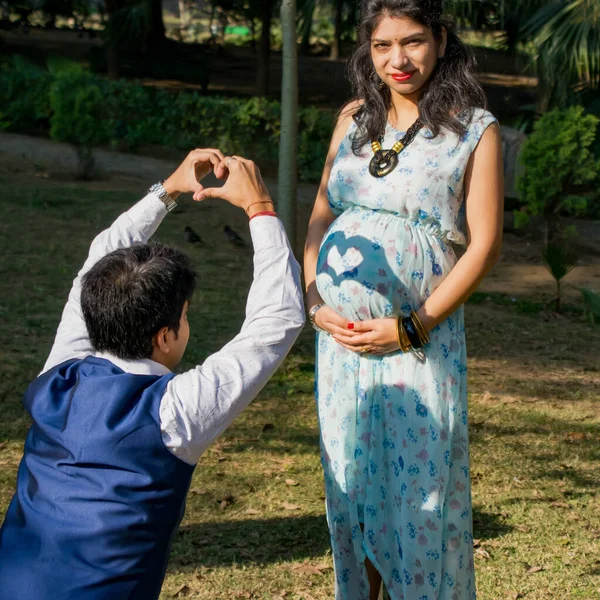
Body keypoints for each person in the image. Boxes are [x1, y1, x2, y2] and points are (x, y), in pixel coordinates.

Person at [0, 149, 305, 599]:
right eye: (184, 315)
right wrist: (259, 208)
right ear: (165, 336)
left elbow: (99, 260)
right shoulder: (173, 414)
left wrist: (168, 190)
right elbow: (276, 320)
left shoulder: (58, 375)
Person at [304, 0, 504, 598]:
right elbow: (320, 214)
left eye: (413, 41)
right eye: (383, 44)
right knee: (353, 493)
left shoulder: (475, 130)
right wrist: (315, 301)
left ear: (440, 40)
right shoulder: (351, 119)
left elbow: (486, 246)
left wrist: (413, 326)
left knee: (420, 502)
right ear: (368, 47)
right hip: (340, 348)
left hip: (420, 350)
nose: (398, 59)